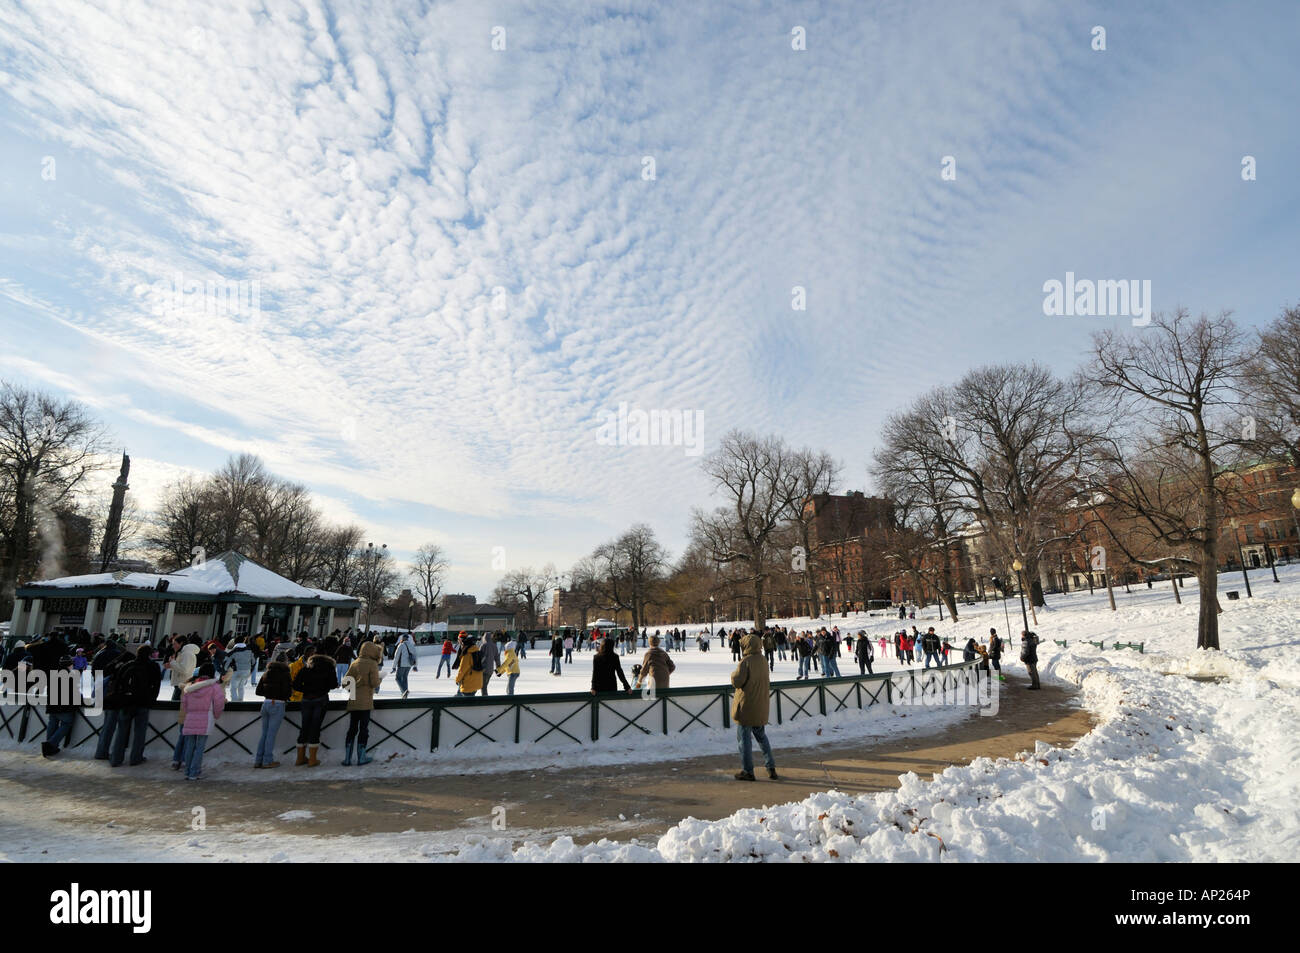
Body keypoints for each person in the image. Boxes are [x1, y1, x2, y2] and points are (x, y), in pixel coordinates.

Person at [731, 634, 778, 781]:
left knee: (744, 740)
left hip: (746, 706)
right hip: (761, 705)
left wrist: (733, 675)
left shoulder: (746, 661)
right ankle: (771, 768)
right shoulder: (763, 660)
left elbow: (737, 682)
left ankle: (748, 771)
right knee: (762, 737)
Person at [110, 644, 163, 767]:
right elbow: (156, 685)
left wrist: (121, 699)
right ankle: (136, 758)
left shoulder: (127, 665)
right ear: (149, 654)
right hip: (143, 702)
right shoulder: (153, 666)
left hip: (126, 702)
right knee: (140, 732)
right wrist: (152, 700)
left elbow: (118, 684)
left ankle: (116, 758)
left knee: (121, 732)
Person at [177, 662, 225, 780]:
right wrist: (216, 715)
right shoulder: (214, 686)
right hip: (206, 719)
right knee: (199, 747)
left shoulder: (191, 686)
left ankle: (188, 771)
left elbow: (185, 704)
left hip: (190, 718)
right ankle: (195, 771)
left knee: (189, 746)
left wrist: (190, 713)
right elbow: (219, 703)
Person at [292, 649, 339, 766]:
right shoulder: (329, 668)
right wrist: (323, 688)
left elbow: (296, 684)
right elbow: (333, 685)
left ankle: (300, 758)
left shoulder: (306, 668)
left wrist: (307, 690)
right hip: (321, 699)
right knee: (315, 727)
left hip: (306, 699)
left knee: (304, 727)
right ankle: (312, 759)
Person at [343, 641, 384, 765]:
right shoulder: (372, 664)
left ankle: (347, 758)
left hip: (353, 699)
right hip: (365, 701)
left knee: (352, 729)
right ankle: (361, 757)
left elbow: (345, 683)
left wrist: (356, 685)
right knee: (363, 729)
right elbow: (375, 683)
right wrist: (380, 678)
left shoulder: (354, 663)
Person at [254, 655, 292, 768]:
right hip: (278, 704)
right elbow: (288, 692)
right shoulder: (285, 674)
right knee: (271, 734)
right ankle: (267, 761)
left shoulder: (266, 673)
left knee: (264, 734)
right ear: (285, 662)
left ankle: (258, 760)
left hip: (265, 704)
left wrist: (269, 693)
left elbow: (258, 691)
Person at [41, 655, 81, 758]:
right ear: (69, 665)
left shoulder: (53, 674)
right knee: (66, 724)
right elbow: (74, 692)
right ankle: (50, 745)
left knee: (52, 724)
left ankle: (50, 747)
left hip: (52, 705)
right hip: (64, 707)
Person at [392, 633, 418, 698]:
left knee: (397, 678)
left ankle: (404, 691)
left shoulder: (401, 645)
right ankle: (405, 693)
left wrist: (394, 667)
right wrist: (415, 666)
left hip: (401, 665)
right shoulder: (411, 645)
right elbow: (415, 656)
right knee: (405, 678)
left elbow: (396, 657)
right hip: (409, 664)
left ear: (402, 638)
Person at [478, 632, 499, 696]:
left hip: (484, 669)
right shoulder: (494, 646)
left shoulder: (483, 645)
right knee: (484, 685)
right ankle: (484, 698)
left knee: (483, 686)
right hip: (490, 670)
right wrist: (499, 667)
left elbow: (479, 657)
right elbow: (497, 658)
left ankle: (485, 700)